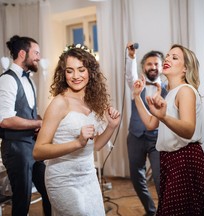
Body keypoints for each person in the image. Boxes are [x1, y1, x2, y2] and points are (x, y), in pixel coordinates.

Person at [32, 44, 121, 216]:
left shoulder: (92, 102)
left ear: (90, 72)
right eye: (70, 71)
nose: (76, 76)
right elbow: (38, 151)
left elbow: (94, 146)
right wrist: (77, 142)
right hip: (62, 179)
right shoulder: (59, 103)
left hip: (88, 177)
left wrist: (111, 126)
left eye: (81, 70)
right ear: (63, 73)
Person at [133, 44, 204, 216]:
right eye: (168, 56)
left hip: (185, 160)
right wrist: (136, 97)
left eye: (174, 57)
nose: (168, 59)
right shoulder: (168, 94)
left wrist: (163, 116)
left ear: (185, 68)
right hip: (169, 161)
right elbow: (150, 123)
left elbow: (188, 130)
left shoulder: (185, 91)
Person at [0, 35, 51, 216]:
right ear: (23, 53)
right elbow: (5, 119)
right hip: (15, 148)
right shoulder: (6, 80)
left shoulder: (29, 80)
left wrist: (39, 121)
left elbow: (28, 112)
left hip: (34, 146)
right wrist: (38, 122)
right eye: (36, 53)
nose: (38, 57)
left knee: (48, 192)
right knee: (22, 201)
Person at [125, 42, 167, 216]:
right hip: (135, 136)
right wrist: (132, 57)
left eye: (156, 64)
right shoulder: (137, 85)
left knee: (159, 179)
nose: (153, 67)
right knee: (136, 178)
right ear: (144, 67)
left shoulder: (168, 89)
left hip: (157, 138)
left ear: (162, 67)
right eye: (149, 64)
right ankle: (150, 210)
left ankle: (164, 211)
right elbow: (130, 75)